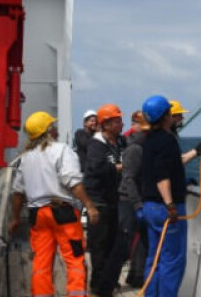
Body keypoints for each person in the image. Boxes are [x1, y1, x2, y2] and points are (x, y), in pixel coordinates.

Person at [9, 111, 100, 297]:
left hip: (37, 215)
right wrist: (89, 206)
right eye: (53, 126)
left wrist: (16, 218)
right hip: (63, 213)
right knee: (75, 259)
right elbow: (73, 182)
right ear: (49, 130)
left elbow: (18, 192)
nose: (56, 129)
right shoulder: (61, 150)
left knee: (41, 262)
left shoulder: (25, 158)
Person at [138, 95, 201, 297]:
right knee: (172, 261)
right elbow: (162, 176)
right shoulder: (167, 141)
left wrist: (197, 152)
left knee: (154, 258)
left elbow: (166, 167)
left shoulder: (149, 141)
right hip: (165, 209)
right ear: (165, 116)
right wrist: (170, 205)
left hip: (150, 207)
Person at [84, 104, 125, 296]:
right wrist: (118, 168)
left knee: (112, 244)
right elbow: (96, 169)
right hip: (98, 202)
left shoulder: (120, 143)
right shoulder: (96, 145)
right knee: (99, 246)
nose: (121, 124)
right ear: (106, 124)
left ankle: (108, 282)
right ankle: (98, 286)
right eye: (117, 121)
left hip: (114, 200)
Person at [117, 110, 149, 288]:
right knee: (124, 244)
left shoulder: (139, 146)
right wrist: (137, 205)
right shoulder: (135, 149)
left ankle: (135, 276)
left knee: (140, 242)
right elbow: (129, 178)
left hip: (136, 200)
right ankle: (106, 283)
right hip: (129, 201)